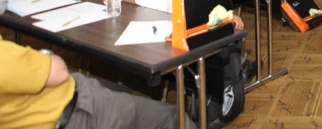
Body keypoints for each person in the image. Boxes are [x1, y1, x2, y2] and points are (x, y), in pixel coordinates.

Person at [0, 35, 195, 129]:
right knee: (174, 119)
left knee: (120, 91)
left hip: (59, 102)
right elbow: (58, 70)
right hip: (76, 110)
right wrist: (43, 55)